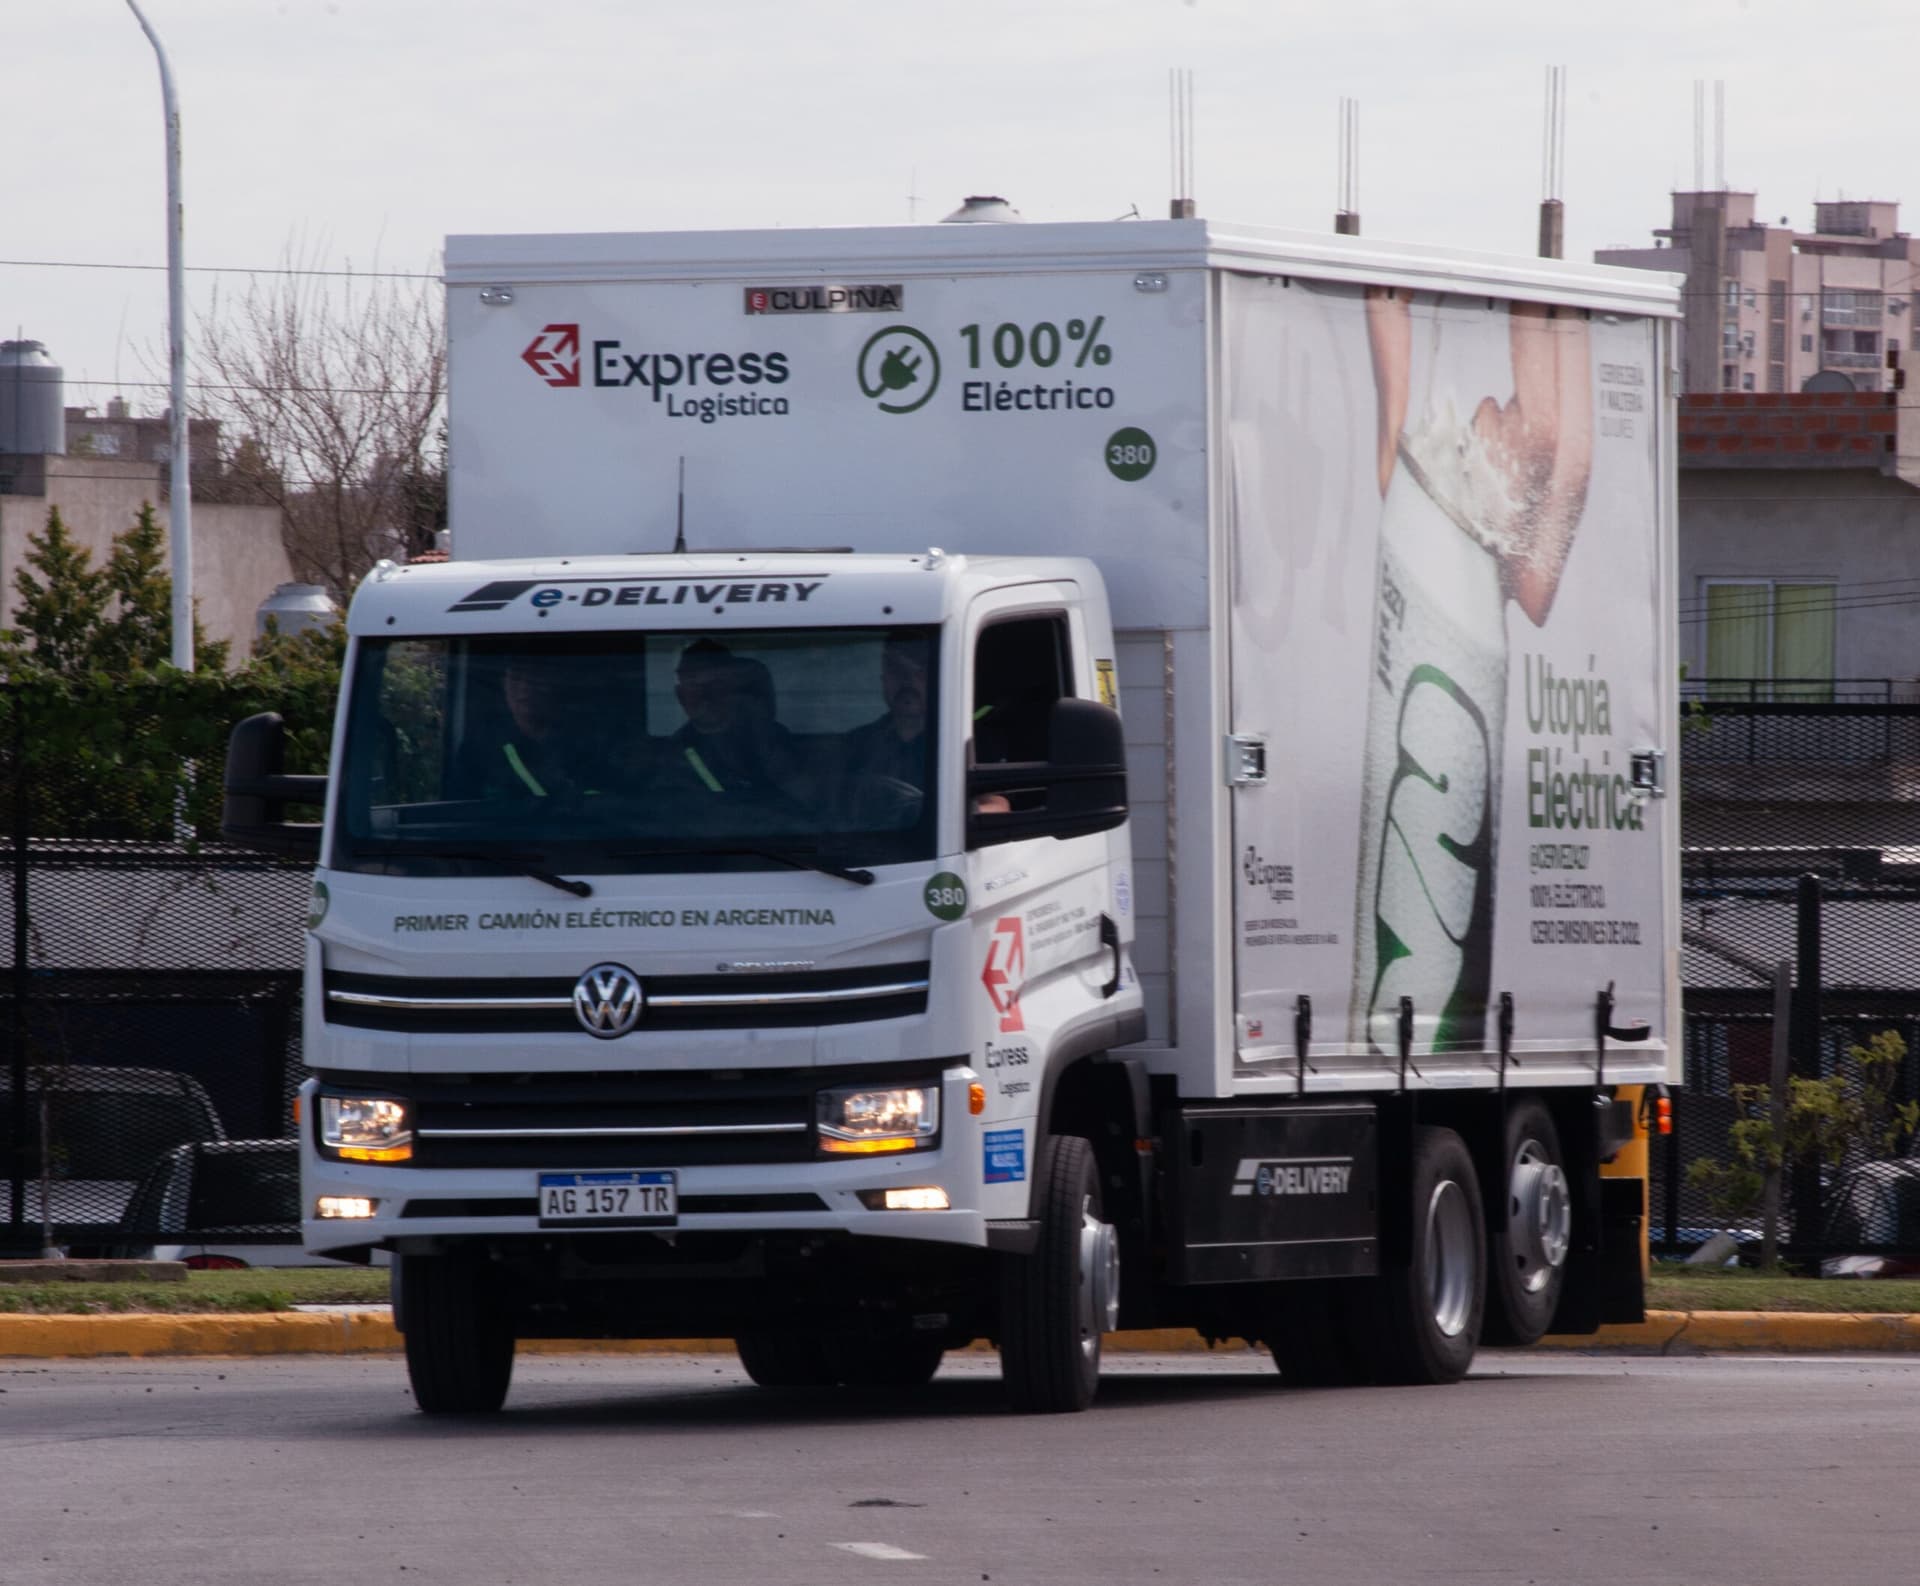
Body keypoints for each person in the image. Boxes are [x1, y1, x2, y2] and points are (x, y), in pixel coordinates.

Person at [667, 639, 809, 804]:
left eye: (716, 684)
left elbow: (805, 794)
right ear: (680, 696)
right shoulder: (671, 752)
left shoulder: (770, 736)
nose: (705, 697)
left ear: (734, 689)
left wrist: (761, 736)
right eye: (693, 687)